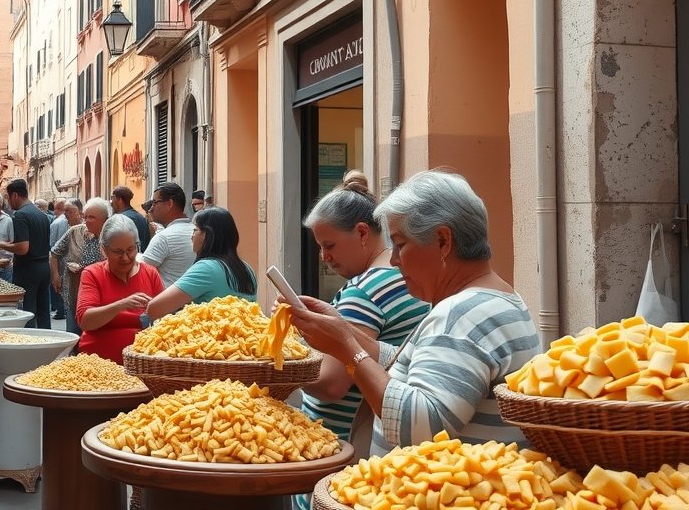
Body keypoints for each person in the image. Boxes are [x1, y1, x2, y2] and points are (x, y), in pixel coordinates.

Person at [281, 170, 542, 457]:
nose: (393, 261)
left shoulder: (463, 314)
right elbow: (421, 372)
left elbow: (418, 428)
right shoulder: (495, 299)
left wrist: (347, 350)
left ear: (443, 241)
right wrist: (343, 330)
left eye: (400, 245)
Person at [293, 171, 429, 509]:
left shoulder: (363, 291)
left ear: (363, 233)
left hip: (336, 446)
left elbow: (331, 384)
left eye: (330, 245)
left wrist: (284, 364)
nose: (325, 257)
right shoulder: (408, 277)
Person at [77, 214, 164, 363]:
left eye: (130, 250)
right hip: (97, 362)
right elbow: (85, 320)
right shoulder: (92, 273)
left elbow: (165, 318)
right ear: (104, 249)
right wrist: (121, 305)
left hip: (143, 362)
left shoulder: (150, 273)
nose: (125, 258)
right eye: (118, 252)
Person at [145, 207, 257, 321]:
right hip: (241, 337)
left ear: (207, 235)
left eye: (195, 230)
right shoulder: (247, 269)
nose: (192, 235)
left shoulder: (207, 268)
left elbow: (154, 309)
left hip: (210, 337)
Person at [0, 179, 53, 328]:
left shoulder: (21, 215)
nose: (8, 202)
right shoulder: (42, 214)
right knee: (43, 311)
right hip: (44, 267)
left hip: (28, 270)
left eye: (8, 197)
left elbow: (23, 248)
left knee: (27, 312)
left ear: (15, 195)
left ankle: (29, 346)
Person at [50, 198, 110, 335]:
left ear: (105, 219)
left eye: (92, 217)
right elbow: (54, 252)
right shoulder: (75, 232)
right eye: (85, 216)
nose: (86, 221)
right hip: (74, 292)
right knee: (73, 334)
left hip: (100, 295)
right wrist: (56, 276)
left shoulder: (110, 237)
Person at [142, 183, 196, 287]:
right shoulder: (197, 231)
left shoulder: (164, 237)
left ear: (169, 204)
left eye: (154, 203)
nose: (150, 209)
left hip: (170, 300)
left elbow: (142, 272)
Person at [110, 185, 150, 252]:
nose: (111, 202)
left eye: (112, 198)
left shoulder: (122, 219)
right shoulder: (140, 217)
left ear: (119, 200)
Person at [49, 199, 70, 320]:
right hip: (68, 259)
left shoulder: (56, 223)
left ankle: (61, 310)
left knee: (58, 285)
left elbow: (52, 244)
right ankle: (65, 309)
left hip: (59, 260)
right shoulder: (66, 223)